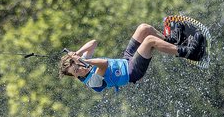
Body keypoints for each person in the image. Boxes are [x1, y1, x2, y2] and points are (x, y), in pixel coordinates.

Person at [58, 21, 206, 92]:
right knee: (149, 41)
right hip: (132, 72)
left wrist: (78, 53)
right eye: (76, 71)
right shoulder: (92, 82)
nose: (80, 68)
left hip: (126, 59)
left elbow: (94, 43)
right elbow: (104, 64)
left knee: (144, 28)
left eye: (77, 66)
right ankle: (189, 52)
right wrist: (84, 59)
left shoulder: (83, 62)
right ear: (75, 77)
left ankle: (172, 42)